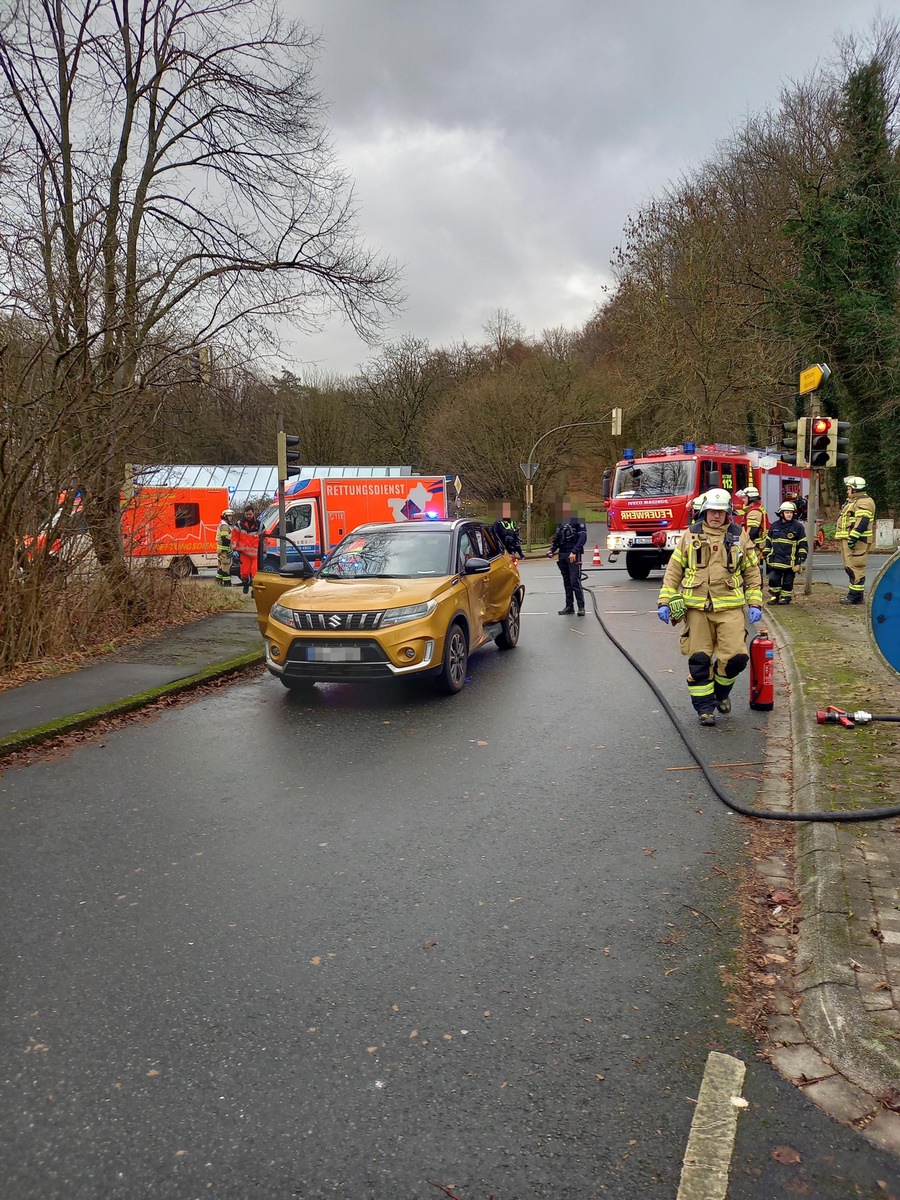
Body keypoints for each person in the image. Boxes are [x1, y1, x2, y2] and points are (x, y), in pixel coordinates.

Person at [657, 487, 763, 727]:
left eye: (721, 512)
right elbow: (674, 571)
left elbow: (752, 572)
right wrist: (665, 600)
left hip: (730, 608)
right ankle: (704, 708)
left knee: (736, 658)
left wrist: (755, 601)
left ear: (729, 514)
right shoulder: (689, 536)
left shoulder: (740, 536)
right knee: (699, 660)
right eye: (712, 511)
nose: (716, 516)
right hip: (696, 609)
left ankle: (721, 694)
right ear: (703, 512)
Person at [835, 475, 876, 606]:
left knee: (856, 568)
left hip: (857, 541)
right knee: (850, 567)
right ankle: (854, 596)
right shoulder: (855, 501)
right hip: (849, 539)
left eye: (849, 489)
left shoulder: (864, 502)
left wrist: (853, 537)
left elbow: (862, 521)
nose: (847, 491)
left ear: (855, 489)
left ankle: (855, 597)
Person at [765, 501, 808, 605]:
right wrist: (766, 554)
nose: (789, 514)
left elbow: (803, 543)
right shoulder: (774, 525)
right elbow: (768, 541)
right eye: (787, 512)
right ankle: (774, 596)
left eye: (791, 512)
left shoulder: (798, 527)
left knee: (788, 581)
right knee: (774, 579)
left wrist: (801, 558)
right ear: (781, 513)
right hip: (775, 560)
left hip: (790, 561)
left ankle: (786, 597)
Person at [547, 506, 587, 615]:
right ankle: (569, 606)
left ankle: (581, 607)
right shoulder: (560, 523)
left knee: (575, 581)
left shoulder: (578, 521)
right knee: (567, 581)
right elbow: (557, 539)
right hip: (562, 554)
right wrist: (551, 550)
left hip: (573, 554)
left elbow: (583, 538)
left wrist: (574, 551)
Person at [231, 503, 262, 594]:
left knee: (255, 573)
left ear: (253, 513)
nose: (248, 516)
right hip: (244, 553)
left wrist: (264, 551)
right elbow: (234, 537)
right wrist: (234, 549)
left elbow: (265, 538)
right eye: (247, 514)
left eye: (250, 514)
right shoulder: (240, 524)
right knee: (244, 572)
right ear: (244, 514)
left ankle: (254, 590)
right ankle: (245, 584)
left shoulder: (259, 525)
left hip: (255, 554)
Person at [741, 486, 769, 553]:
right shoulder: (758, 507)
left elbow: (752, 532)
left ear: (750, 499)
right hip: (756, 546)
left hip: (753, 546)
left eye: (744, 498)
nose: (743, 500)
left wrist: (743, 543)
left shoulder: (754, 512)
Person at [215, 509, 234, 587]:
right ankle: (227, 583)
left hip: (222, 549)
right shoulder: (225, 525)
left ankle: (218, 581)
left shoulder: (223, 524)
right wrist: (229, 549)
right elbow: (225, 539)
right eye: (229, 516)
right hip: (224, 549)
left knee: (222, 566)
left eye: (231, 516)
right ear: (225, 516)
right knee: (226, 566)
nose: (230, 518)